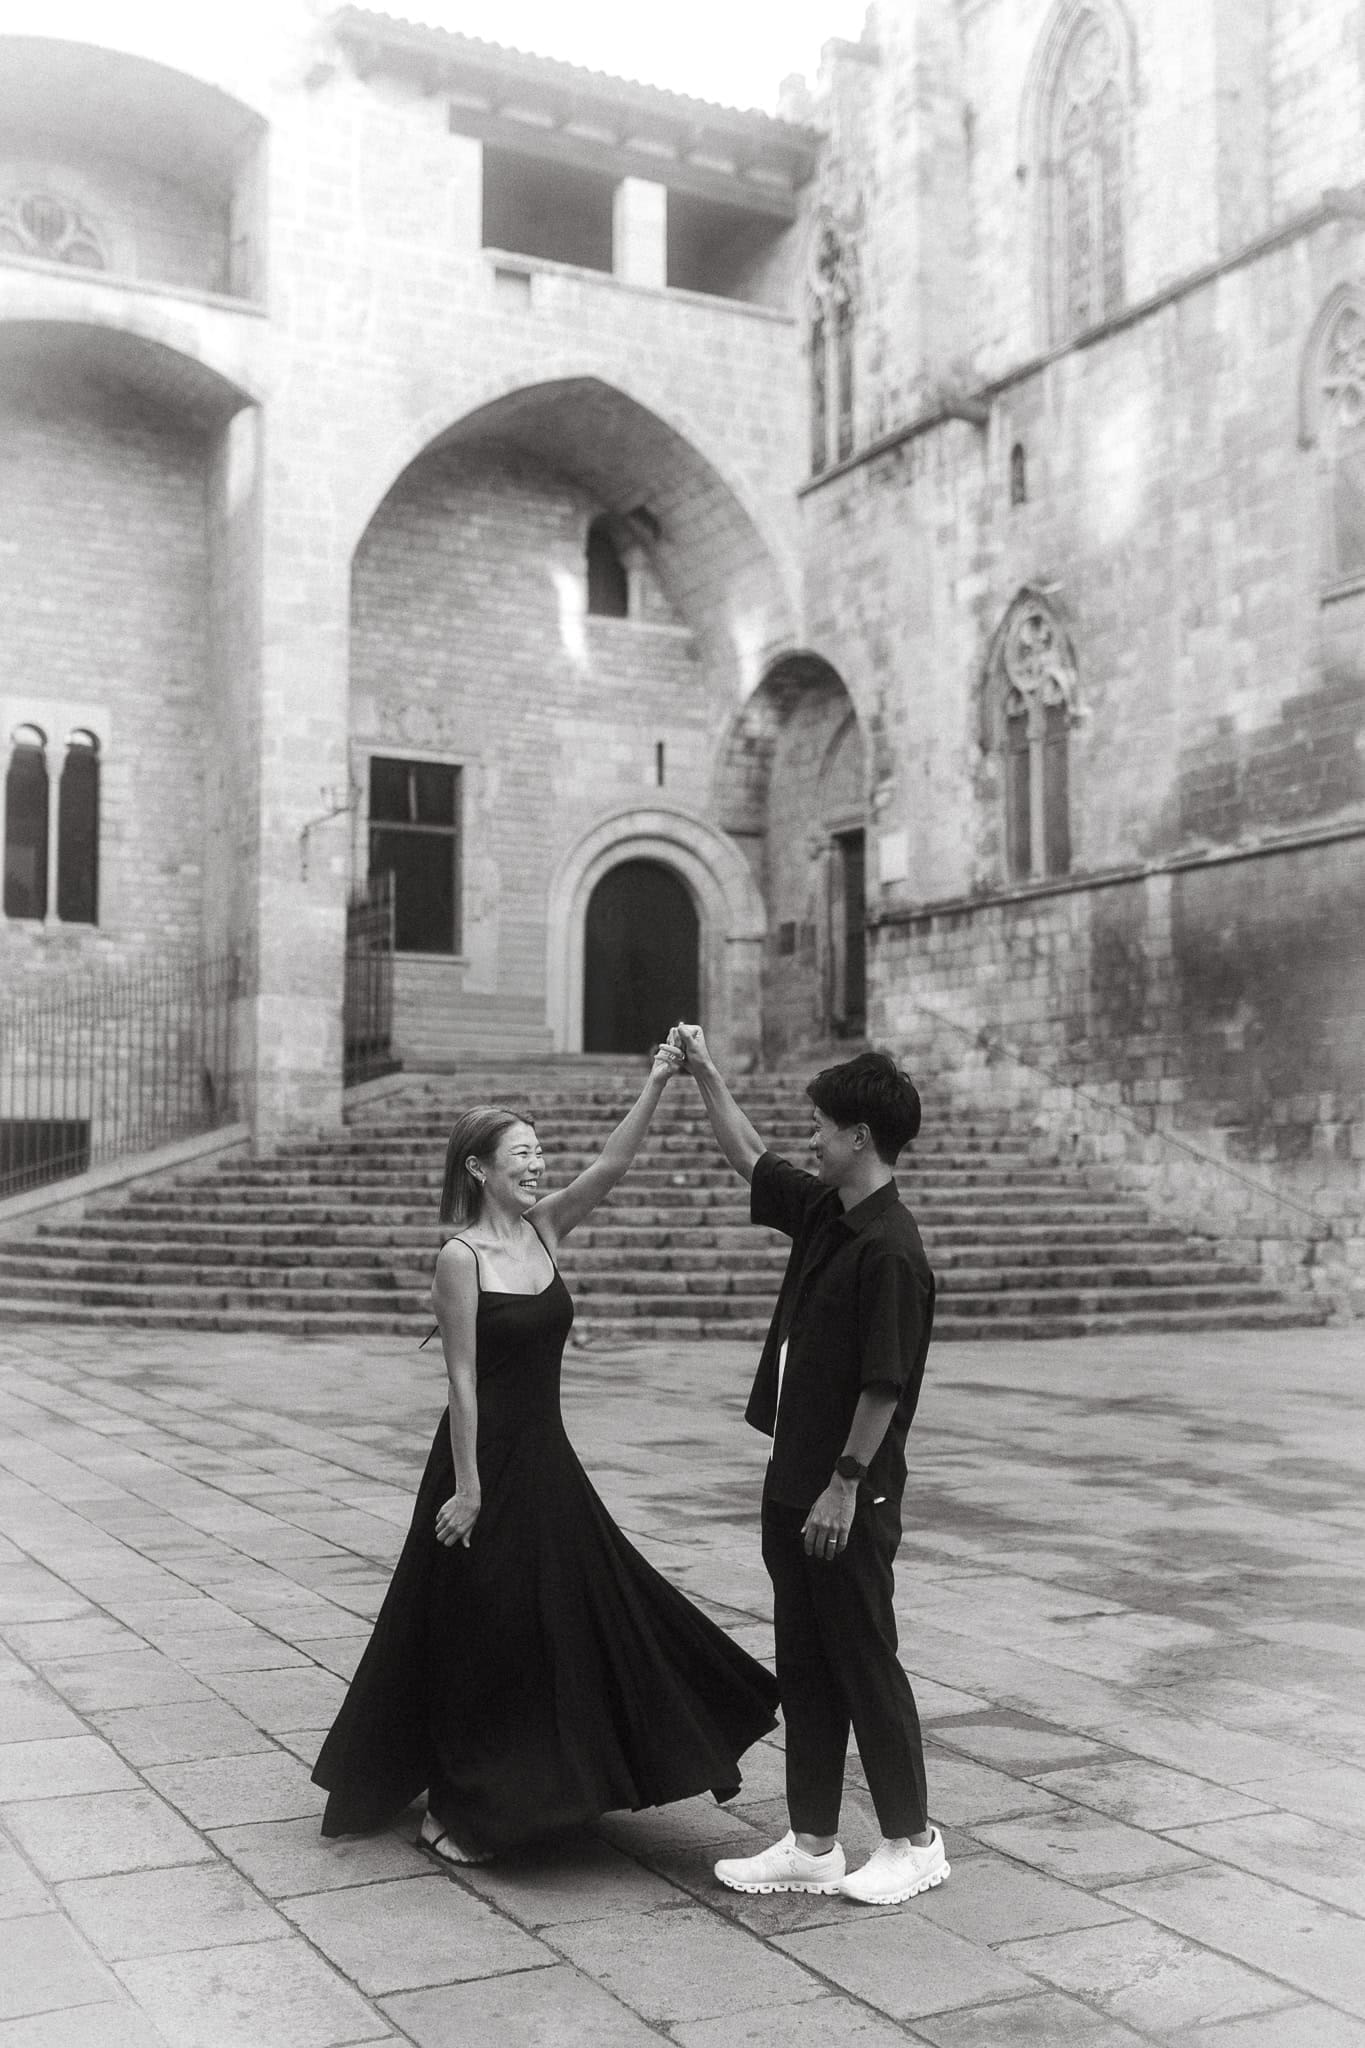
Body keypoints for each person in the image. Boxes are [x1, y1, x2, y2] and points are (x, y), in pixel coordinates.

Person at [312, 1043, 779, 1863]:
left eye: (537, 1155)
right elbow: (461, 1381)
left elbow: (611, 1163)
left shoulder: (545, 1228)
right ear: (479, 1171)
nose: (536, 1167)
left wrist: (660, 1080)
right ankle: (463, 1801)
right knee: (481, 1635)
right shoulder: (459, 1258)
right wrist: (467, 1489)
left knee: (582, 1613)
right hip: (478, 1465)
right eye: (521, 1157)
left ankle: (566, 1775)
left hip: (546, 1461)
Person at [671, 1026, 947, 1908]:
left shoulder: (892, 1249)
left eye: (822, 1127)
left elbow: (884, 1383)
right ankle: (813, 1841)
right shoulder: (829, 1212)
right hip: (795, 1481)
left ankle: (914, 1841)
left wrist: (842, 1483)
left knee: (864, 1658)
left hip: (844, 1493)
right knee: (806, 1662)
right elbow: (749, 1157)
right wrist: (707, 1077)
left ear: (860, 1135)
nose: (810, 1140)